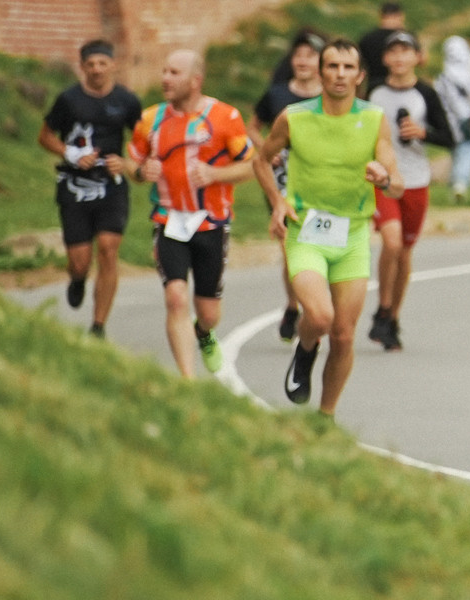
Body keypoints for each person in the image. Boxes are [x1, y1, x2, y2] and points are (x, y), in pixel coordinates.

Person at [254, 38, 403, 415]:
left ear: (360, 76)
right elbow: (261, 160)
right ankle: (305, 350)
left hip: (352, 236)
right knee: (320, 317)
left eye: (347, 68)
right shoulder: (294, 116)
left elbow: (396, 182)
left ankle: (326, 415)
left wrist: (383, 177)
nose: (340, 74)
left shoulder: (373, 118)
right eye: (332, 66)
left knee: (343, 334)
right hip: (307, 231)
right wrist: (278, 201)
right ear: (320, 73)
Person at [125, 50, 255, 378]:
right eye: (164, 71)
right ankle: (187, 381)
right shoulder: (150, 119)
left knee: (208, 312)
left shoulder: (226, 117)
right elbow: (130, 161)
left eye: (174, 73)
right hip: (168, 220)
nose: (165, 79)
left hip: (211, 222)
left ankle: (204, 333)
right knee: (176, 297)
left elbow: (251, 165)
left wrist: (215, 176)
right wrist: (142, 171)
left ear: (195, 81)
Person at [37, 38, 142, 338]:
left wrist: (126, 163)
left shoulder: (127, 101)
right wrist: (70, 154)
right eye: (91, 64)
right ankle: (78, 279)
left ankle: (98, 325)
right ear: (82, 67)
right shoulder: (68, 101)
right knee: (80, 261)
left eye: (102, 63)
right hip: (74, 187)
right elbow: (45, 136)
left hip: (112, 187)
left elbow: (143, 142)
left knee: (109, 251)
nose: (97, 70)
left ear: (113, 65)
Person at [367, 28, 445, 352]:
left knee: (405, 252)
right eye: (393, 52)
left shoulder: (425, 94)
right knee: (392, 241)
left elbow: (451, 137)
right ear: (385, 58)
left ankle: (392, 318)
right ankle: (383, 307)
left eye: (406, 51)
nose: (399, 58)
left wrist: (422, 132)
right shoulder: (371, 92)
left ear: (417, 57)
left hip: (416, 181)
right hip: (382, 180)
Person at [255, 33, 326, 341]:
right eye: (299, 55)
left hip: (321, 182)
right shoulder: (277, 95)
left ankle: (309, 305)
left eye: (310, 55)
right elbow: (252, 125)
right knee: (290, 248)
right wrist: (265, 152)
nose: (303, 61)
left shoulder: (332, 97)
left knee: (318, 246)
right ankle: (295, 304)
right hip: (283, 182)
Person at [436, 34, 470, 202]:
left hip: (449, 119)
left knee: (457, 151)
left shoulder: (443, 75)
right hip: (466, 117)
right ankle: (461, 183)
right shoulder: (466, 73)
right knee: (468, 149)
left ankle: (455, 181)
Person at [357, 0, 408, 93]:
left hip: (372, 85)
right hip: (402, 87)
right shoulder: (405, 38)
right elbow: (422, 60)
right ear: (400, 15)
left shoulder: (367, 38)